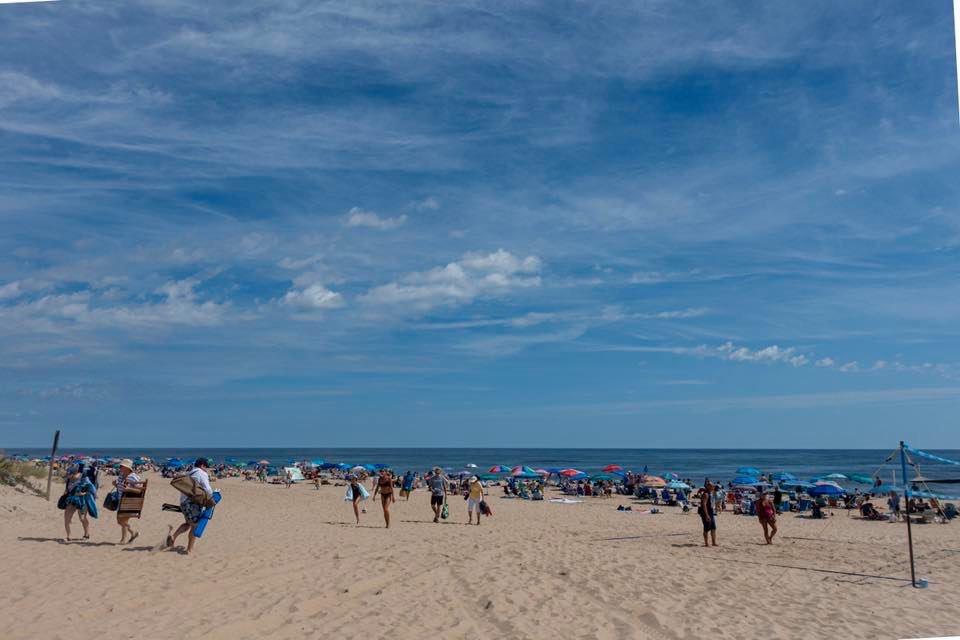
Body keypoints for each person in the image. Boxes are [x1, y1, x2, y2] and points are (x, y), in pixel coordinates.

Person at [168, 458, 213, 555]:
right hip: (193, 503)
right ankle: (189, 549)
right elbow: (208, 490)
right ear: (202, 465)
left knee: (188, 523)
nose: (206, 469)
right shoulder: (201, 473)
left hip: (183, 502)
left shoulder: (189, 473)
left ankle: (173, 537)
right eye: (206, 467)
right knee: (195, 525)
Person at [63, 463, 98, 541]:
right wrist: (65, 493)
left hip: (82, 500)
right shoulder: (69, 480)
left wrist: (83, 493)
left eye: (68, 475)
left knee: (82, 518)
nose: (67, 477)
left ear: (74, 473)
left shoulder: (83, 477)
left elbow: (91, 489)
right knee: (67, 519)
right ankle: (69, 536)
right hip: (71, 500)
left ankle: (86, 534)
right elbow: (67, 490)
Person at [115, 459, 144, 544]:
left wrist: (129, 489)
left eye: (121, 466)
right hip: (121, 501)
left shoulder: (133, 477)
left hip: (129, 502)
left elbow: (140, 491)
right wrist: (115, 484)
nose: (120, 468)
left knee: (123, 520)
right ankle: (133, 533)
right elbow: (119, 486)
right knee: (119, 521)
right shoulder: (121, 475)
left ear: (127, 468)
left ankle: (123, 540)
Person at [697, 482, 717, 547]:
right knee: (706, 528)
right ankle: (706, 543)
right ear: (708, 487)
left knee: (713, 528)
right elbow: (704, 505)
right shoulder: (705, 494)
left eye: (713, 486)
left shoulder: (710, 493)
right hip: (706, 513)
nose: (713, 487)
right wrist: (706, 515)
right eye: (712, 486)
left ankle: (714, 542)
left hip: (711, 512)